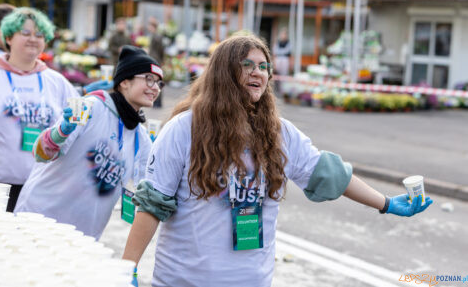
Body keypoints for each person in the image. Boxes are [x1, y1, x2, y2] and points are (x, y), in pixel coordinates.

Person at [122, 34, 432, 287]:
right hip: (185, 281)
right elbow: (151, 206)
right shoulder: (182, 130)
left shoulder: (280, 134)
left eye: (263, 66)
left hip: (252, 281)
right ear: (224, 74)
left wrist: (386, 203)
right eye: (247, 65)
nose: (257, 72)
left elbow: (330, 175)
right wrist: (128, 270)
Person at [15, 45, 164, 239]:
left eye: (160, 83)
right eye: (149, 79)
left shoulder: (141, 138)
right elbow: (40, 153)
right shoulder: (91, 107)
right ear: (124, 82)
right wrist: (61, 132)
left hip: (82, 239)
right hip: (39, 221)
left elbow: (151, 187)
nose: (155, 88)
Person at [0, 7, 80, 212]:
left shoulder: (56, 81)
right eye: (25, 33)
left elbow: (81, 123)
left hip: (40, 188)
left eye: (39, 34)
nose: (33, 39)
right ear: (8, 37)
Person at [147, 17, 165, 108]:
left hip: (155, 61)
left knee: (156, 81)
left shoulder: (156, 36)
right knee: (156, 80)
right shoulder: (156, 36)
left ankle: (157, 101)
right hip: (156, 60)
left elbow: (160, 50)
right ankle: (157, 101)